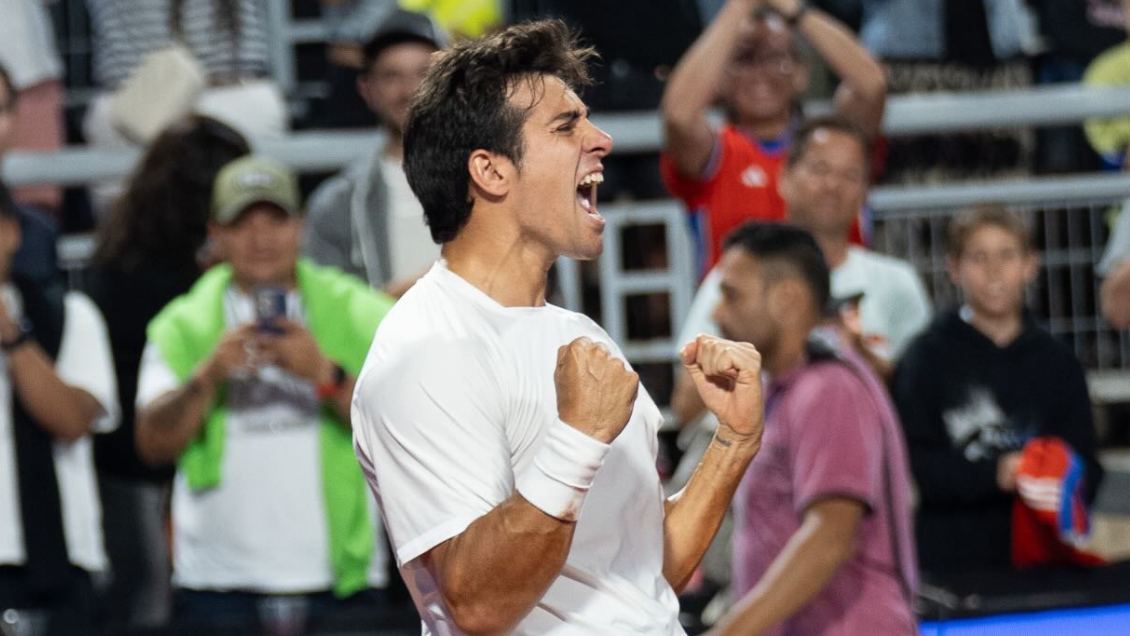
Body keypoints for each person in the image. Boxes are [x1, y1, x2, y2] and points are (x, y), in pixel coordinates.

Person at [351, 20, 765, 634]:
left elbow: (639, 578)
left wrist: (733, 443)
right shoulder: (423, 350)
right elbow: (478, 605)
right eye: (567, 126)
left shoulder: (582, 336)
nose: (602, 141)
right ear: (491, 171)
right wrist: (579, 438)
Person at [134, 156, 395, 632]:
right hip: (217, 584)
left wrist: (326, 375)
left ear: (301, 225)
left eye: (275, 219)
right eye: (242, 223)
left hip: (341, 580)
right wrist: (208, 377)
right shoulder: (182, 325)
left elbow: (405, 431)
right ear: (216, 232)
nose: (261, 238)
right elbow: (152, 445)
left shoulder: (360, 311)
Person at [705, 222, 916, 635]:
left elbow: (830, 536)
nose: (718, 313)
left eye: (732, 295)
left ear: (788, 299)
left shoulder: (829, 389)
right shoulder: (789, 387)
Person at [87, 115, 250, 630]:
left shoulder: (120, 254)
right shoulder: (182, 285)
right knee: (149, 605)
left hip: (129, 462)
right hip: (145, 464)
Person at [671, 116, 931, 426]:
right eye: (820, 169)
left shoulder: (896, 282)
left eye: (850, 174)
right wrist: (761, 341)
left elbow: (925, 404)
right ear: (784, 178)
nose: (832, 185)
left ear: (865, 190)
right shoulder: (736, 276)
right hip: (750, 447)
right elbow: (684, 406)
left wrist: (858, 358)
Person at [892, 204, 1104, 574]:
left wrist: (1052, 474)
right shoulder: (925, 358)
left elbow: (1087, 462)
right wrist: (995, 474)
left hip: (1043, 563)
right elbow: (915, 462)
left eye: (1007, 255)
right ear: (954, 268)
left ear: (1030, 265)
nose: (994, 270)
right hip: (951, 560)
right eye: (979, 257)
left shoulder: (1058, 362)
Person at [661, 0, 886, 276]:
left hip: (842, 299)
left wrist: (793, 9)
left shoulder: (834, 143)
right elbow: (678, 115)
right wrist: (739, 7)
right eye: (745, 59)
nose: (762, 74)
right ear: (721, 76)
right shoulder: (714, 153)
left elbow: (872, 86)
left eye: (776, 59)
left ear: (801, 72)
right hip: (737, 301)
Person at [0, 180, 119, 635]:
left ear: (12, 232)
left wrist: (12, 336)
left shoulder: (70, 315)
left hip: (57, 566)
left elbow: (71, 421)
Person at [305, 9, 446, 296]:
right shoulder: (336, 206)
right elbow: (327, 308)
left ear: (449, 83)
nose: (409, 91)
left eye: (423, 74)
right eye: (392, 76)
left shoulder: (490, 186)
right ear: (366, 90)